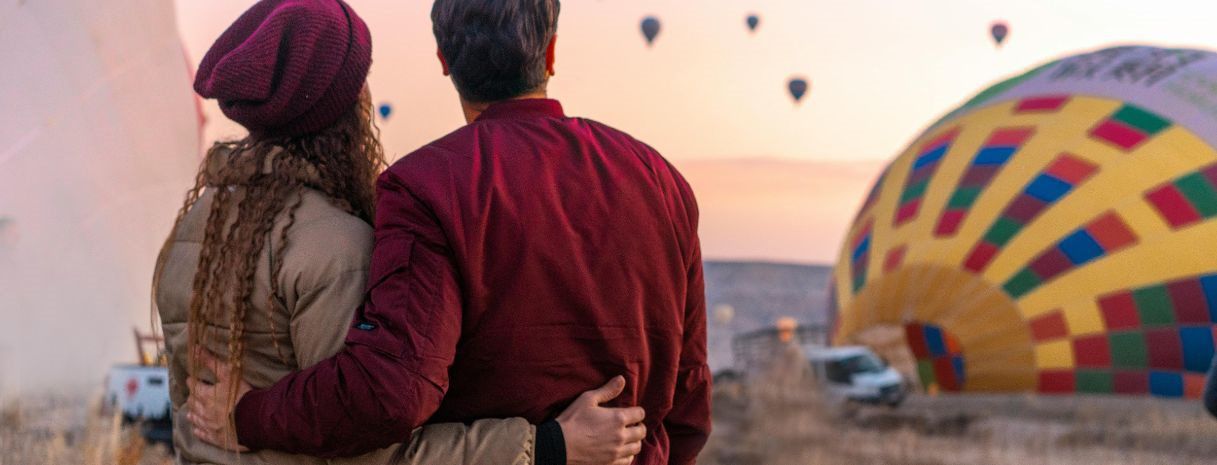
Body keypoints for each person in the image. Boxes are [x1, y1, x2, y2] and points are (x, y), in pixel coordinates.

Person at [189, 0, 712, 464]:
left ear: (443, 60)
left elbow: (390, 394)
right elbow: (689, 405)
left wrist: (249, 414)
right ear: (550, 54)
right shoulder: (663, 182)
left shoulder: (426, 186)